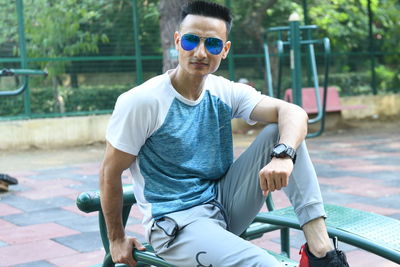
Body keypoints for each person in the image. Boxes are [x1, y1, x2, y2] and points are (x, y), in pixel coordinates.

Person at [100, 1, 350, 266]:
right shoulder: (143, 101)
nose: (200, 52)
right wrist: (116, 238)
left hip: (224, 205)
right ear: (176, 42)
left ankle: (321, 251)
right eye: (190, 41)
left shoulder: (223, 91)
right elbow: (109, 172)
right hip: (177, 224)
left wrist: (283, 156)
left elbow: (294, 113)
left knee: (282, 131)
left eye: (213, 44)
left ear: (225, 50)